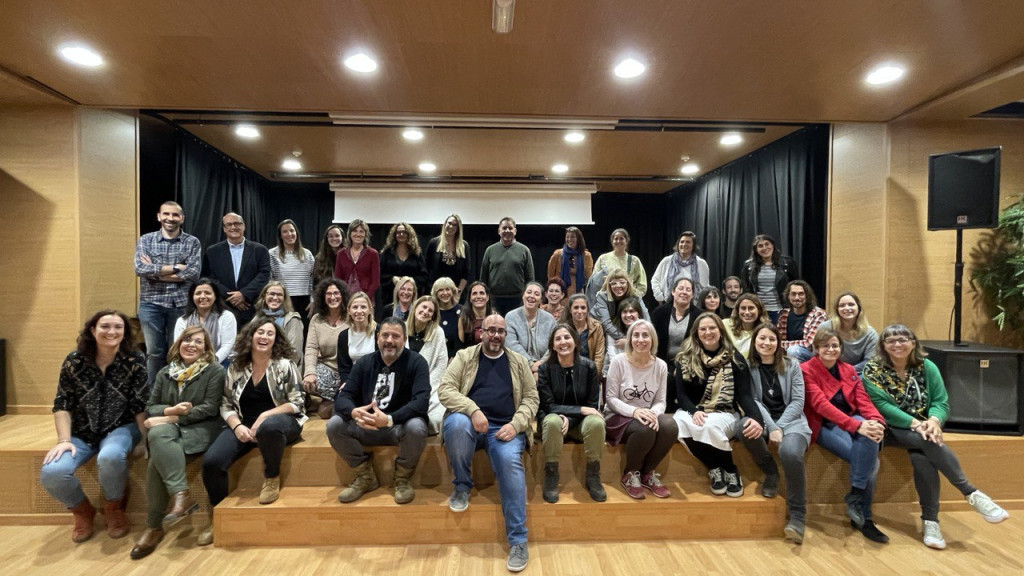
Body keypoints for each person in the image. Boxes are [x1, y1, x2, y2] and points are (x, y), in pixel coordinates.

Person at [862, 324, 1009, 549]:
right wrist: (918, 425)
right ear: (883, 346)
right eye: (891, 341)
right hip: (889, 429)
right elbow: (881, 406)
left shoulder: (927, 366)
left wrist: (933, 422)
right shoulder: (872, 369)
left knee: (922, 456)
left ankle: (931, 522)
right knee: (925, 440)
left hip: (923, 429)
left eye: (903, 339)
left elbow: (940, 401)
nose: (897, 344)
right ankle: (971, 493)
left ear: (913, 343)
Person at [439, 314, 538, 572]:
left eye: (501, 331)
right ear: (481, 332)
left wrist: (516, 425)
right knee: (457, 425)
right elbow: (446, 389)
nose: (496, 335)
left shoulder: (517, 362)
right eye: (491, 330)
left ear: (506, 334)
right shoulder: (465, 357)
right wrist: (472, 410)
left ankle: (518, 540)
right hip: (471, 422)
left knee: (509, 463)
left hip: (504, 429)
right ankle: (462, 485)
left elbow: (531, 398)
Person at [41, 310, 147, 544]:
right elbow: (62, 403)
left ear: (125, 332)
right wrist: (64, 440)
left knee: (110, 457)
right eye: (105, 326)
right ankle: (82, 511)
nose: (112, 332)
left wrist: (143, 439)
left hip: (120, 427)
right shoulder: (74, 361)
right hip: (81, 432)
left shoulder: (134, 359)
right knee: (52, 472)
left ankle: (113, 506)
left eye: (118, 327)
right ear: (92, 330)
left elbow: (141, 403)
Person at [200, 319, 306, 546]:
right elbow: (226, 404)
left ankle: (271, 477)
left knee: (268, 427)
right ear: (251, 336)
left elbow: (298, 403)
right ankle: (217, 518)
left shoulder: (286, 365)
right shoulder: (236, 367)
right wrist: (237, 426)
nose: (264, 337)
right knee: (211, 462)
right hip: (243, 424)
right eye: (260, 332)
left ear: (275, 340)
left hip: (283, 422)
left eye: (270, 333)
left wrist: (264, 416)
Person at [130, 326, 225, 559]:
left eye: (198, 342)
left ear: (206, 349)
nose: (191, 345)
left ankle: (154, 526)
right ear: (178, 343)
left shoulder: (215, 371)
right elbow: (151, 406)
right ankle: (181, 495)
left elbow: (210, 408)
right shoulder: (165, 372)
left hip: (201, 429)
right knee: (158, 439)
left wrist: (171, 417)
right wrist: (169, 410)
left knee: (156, 449)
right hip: (169, 430)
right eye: (187, 340)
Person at [328, 317, 431, 504]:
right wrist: (354, 412)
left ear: (404, 339)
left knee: (417, 427)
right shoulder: (364, 363)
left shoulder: (417, 363)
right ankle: (365, 476)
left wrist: (390, 419)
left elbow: (421, 402)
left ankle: (402, 479)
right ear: (377, 338)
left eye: (395, 336)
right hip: (365, 426)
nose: (389, 340)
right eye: (385, 335)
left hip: (398, 427)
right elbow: (343, 396)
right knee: (334, 424)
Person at [802, 328, 889, 544]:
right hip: (823, 425)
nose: (831, 350)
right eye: (826, 346)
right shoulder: (806, 370)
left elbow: (864, 401)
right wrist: (856, 426)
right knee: (871, 463)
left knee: (869, 430)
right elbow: (820, 405)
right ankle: (865, 517)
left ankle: (856, 498)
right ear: (816, 349)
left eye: (835, 345)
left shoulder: (847, 369)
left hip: (852, 420)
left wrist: (877, 422)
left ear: (841, 348)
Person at [671, 313, 764, 498]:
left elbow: (745, 396)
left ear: (721, 331)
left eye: (712, 328)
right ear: (696, 333)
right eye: (703, 329)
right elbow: (681, 395)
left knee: (710, 426)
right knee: (678, 425)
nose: (708, 332)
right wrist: (694, 411)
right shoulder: (685, 358)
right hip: (693, 410)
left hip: (725, 412)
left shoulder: (735, 359)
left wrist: (757, 418)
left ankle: (730, 469)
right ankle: (715, 467)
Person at [743, 323, 811, 543]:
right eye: (762, 338)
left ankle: (798, 515)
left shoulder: (792, 365)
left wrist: (780, 426)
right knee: (744, 429)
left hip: (792, 422)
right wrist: (771, 427)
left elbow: (798, 401)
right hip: (763, 420)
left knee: (790, 453)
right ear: (754, 342)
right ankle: (770, 471)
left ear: (778, 343)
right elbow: (752, 400)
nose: (766, 343)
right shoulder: (748, 367)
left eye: (772, 339)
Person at [604, 320, 678, 500]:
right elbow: (611, 399)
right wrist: (635, 412)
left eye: (645, 335)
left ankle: (647, 473)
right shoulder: (618, 361)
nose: (640, 339)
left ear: (652, 339)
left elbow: (661, 401)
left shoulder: (660, 365)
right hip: (618, 415)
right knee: (644, 428)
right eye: (636, 335)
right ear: (630, 340)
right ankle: (630, 474)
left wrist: (653, 413)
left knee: (670, 426)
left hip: (646, 413)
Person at [135, 201, 202, 387]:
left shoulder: (192, 242)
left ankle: (174, 392)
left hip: (180, 304)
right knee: (154, 352)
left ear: (182, 218)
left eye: (175, 215)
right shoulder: (146, 240)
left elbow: (193, 274)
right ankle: (154, 395)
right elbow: (140, 269)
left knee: (178, 351)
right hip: (150, 303)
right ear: (159, 216)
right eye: (166, 214)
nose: (170, 218)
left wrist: (156, 274)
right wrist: (175, 268)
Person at [537, 324, 606, 503]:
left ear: (575, 342)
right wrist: (577, 411)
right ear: (552, 345)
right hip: (555, 421)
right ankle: (551, 474)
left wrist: (570, 417)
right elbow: (548, 406)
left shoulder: (589, 367)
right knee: (552, 421)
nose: (563, 342)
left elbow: (592, 406)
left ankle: (593, 475)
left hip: (579, 424)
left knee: (597, 422)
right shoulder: (545, 369)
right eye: (558, 339)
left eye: (567, 337)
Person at [201, 212, 271, 326]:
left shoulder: (260, 250)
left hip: (251, 307)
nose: (233, 227)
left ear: (244, 226)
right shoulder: (212, 251)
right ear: (224, 228)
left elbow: (264, 275)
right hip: (222, 307)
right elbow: (207, 277)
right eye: (229, 224)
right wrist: (231, 296)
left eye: (237, 223)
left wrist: (244, 294)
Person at [302, 279, 350, 419]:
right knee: (302, 383)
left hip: (347, 371)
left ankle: (336, 399)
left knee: (324, 412)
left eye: (336, 293)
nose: (333, 297)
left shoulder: (352, 316)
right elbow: (311, 348)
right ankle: (335, 398)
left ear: (343, 295)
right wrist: (309, 373)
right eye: (328, 294)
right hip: (325, 368)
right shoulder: (316, 319)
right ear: (323, 297)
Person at [406, 295, 449, 433]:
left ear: (432, 316)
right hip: (402, 385)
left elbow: (441, 364)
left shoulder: (438, 333)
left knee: (434, 418)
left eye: (430, 311)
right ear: (415, 307)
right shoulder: (400, 328)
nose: (426, 312)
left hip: (430, 385)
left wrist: (422, 385)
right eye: (424, 307)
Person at [173, 278, 238, 366]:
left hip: (219, 363)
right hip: (189, 364)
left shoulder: (226, 316)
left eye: (207, 293)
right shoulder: (182, 320)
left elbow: (227, 346)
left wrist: (208, 365)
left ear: (215, 296)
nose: (202, 296)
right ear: (192, 297)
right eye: (198, 293)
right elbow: (179, 346)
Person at [479, 216, 535, 314]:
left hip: (518, 299)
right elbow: (483, 277)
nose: (507, 230)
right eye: (504, 228)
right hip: (494, 299)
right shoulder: (490, 250)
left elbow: (530, 278)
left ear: (515, 231)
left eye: (510, 228)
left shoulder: (524, 250)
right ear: (499, 231)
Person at [591, 269, 650, 357]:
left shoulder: (635, 295)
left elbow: (646, 318)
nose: (618, 286)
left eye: (622, 282)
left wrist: (631, 340)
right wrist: (627, 339)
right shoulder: (602, 296)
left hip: (620, 326)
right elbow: (606, 323)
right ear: (609, 285)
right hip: (601, 327)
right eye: (614, 283)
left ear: (628, 283)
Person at [740, 234, 799, 323]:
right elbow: (746, 289)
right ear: (756, 250)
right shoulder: (748, 266)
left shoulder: (787, 263)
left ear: (772, 245)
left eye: (767, 244)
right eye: (760, 246)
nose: (764, 248)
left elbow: (797, 284)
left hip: (780, 310)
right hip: (758, 311)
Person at [505, 282, 557, 378]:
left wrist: (540, 365)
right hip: (517, 366)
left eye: (536, 294)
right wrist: (530, 363)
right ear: (523, 296)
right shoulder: (511, 317)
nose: (532, 296)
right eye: (529, 292)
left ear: (541, 300)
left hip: (545, 367)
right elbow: (511, 344)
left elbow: (554, 345)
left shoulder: (550, 319)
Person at [819, 291, 879, 374]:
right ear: (837, 310)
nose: (847, 308)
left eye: (851, 304)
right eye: (842, 305)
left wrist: (847, 371)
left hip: (857, 373)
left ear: (859, 308)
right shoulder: (826, 327)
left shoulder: (870, 333)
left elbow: (870, 362)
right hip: (829, 369)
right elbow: (817, 353)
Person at [269, 219, 314, 325]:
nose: (289, 234)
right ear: (280, 235)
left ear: (296, 233)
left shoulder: (307, 254)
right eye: (285, 231)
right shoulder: (272, 254)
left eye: (292, 230)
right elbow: (270, 280)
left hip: (304, 302)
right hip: (282, 300)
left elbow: (313, 279)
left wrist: (313, 300)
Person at [651, 276, 701, 366]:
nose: (684, 292)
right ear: (673, 292)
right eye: (681, 288)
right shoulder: (659, 312)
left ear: (693, 294)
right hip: (659, 363)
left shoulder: (699, 316)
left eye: (688, 290)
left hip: (689, 365)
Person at [253, 281, 304, 366]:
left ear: (284, 299)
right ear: (264, 297)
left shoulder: (293, 319)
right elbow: (248, 343)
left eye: (279, 295)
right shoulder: (258, 318)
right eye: (272, 294)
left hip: (283, 368)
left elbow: (295, 353)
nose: (275, 297)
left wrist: (275, 368)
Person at [651, 231, 710, 303]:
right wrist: (660, 298)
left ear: (693, 245)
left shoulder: (701, 264)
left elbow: (706, 287)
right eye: (682, 242)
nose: (684, 244)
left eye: (688, 242)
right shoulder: (667, 261)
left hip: (694, 306)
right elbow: (655, 280)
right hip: (669, 304)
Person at [379, 222, 428, 307]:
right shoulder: (386, 252)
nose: (401, 234)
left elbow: (424, 276)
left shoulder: (416, 253)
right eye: (398, 232)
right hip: (389, 297)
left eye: (404, 232)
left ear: (409, 235)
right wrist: (392, 279)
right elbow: (379, 273)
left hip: (411, 297)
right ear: (394, 235)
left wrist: (410, 281)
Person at [777, 280, 828, 362]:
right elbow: (779, 339)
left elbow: (809, 344)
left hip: (810, 354)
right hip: (787, 353)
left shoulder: (818, 314)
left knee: (793, 351)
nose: (797, 298)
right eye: (793, 294)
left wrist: (779, 345)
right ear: (788, 296)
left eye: (801, 294)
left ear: (807, 296)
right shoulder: (783, 314)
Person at [426, 214, 474, 299]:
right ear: (445, 224)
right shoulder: (433, 243)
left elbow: (466, 273)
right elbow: (427, 269)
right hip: (436, 293)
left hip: (456, 294)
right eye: (449, 223)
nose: (451, 226)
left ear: (458, 228)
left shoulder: (464, 246)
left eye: (455, 225)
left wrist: (458, 292)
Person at [337, 292, 378, 389]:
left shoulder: (379, 332)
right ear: (349, 311)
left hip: (375, 380)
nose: (359, 311)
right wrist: (346, 383)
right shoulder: (343, 336)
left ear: (370, 310)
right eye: (355, 307)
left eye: (363, 307)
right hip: (353, 380)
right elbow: (344, 368)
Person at [591, 228, 647, 298]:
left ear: (627, 241)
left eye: (621, 238)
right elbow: (594, 280)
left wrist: (634, 297)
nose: (618, 241)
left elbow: (642, 284)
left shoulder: (634, 260)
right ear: (612, 241)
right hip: (607, 300)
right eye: (616, 239)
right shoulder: (603, 258)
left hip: (628, 301)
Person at [333, 218, 380, 300]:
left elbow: (375, 282)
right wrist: (344, 296)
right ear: (350, 233)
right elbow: (338, 279)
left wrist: (366, 298)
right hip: (345, 299)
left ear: (365, 234)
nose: (358, 234)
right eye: (355, 231)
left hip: (366, 299)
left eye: (361, 231)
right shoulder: (341, 254)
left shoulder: (373, 254)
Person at [561, 294, 605, 376]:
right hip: (567, 372)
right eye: (576, 307)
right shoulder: (562, 328)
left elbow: (599, 356)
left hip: (589, 372)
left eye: (583, 308)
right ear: (570, 310)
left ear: (587, 309)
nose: (580, 311)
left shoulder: (597, 327)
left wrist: (594, 377)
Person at [546, 226, 593, 296]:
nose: (569, 239)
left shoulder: (586, 255)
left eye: (572, 237)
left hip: (578, 291)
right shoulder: (558, 254)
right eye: (567, 237)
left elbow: (589, 277)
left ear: (579, 239)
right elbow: (551, 276)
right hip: (561, 292)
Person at [603, 296, 644, 375]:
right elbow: (612, 356)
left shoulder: (645, 328)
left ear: (638, 313)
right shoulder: (613, 330)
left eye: (632, 311)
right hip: (617, 371)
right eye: (624, 312)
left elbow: (645, 353)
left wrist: (628, 343)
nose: (628, 315)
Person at [723, 293, 770, 357]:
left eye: (751, 308)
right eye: (743, 308)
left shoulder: (766, 331)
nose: (747, 312)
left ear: (759, 310)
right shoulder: (725, 324)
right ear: (738, 311)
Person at [431, 277, 463, 359]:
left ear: (453, 291)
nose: (445, 293)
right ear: (436, 293)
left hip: (459, 356)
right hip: (438, 357)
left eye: (448, 289)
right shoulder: (432, 312)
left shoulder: (462, 311)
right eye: (440, 290)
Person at [458, 281, 493, 348]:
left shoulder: (495, 316)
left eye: (482, 293)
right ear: (470, 299)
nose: (478, 296)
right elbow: (460, 346)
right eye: (474, 293)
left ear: (487, 297)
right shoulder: (463, 319)